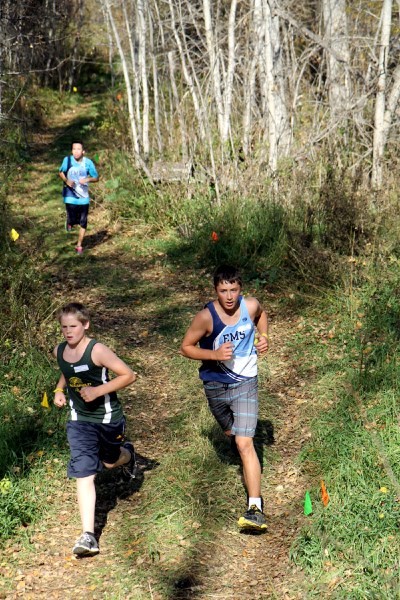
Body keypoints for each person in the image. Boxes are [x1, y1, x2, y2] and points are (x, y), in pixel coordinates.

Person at [180, 265, 269, 531]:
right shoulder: (206, 318)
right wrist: (214, 355)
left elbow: (262, 315)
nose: (229, 296)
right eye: (223, 291)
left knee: (244, 443)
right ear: (215, 291)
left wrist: (264, 337)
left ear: (240, 289)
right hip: (216, 385)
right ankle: (234, 437)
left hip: (246, 382)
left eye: (234, 290)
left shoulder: (250, 306)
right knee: (231, 433)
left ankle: (255, 507)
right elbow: (185, 348)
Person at [53, 302, 137, 556]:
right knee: (84, 472)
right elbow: (67, 372)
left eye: (73, 327)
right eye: (64, 327)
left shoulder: (97, 350)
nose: (68, 332)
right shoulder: (59, 350)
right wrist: (59, 390)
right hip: (79, 420)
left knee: (110, 462)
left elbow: (129, 375)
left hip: (108, 418)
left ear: (85, 325)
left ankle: (128, 454)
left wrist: (98, 391)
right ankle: (88, 535)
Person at [58, 141, 99, 254]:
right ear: (72, 151)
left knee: (83, 222)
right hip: (70, 195)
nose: (76, 151)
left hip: (84, 197)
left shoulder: (88, 163)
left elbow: (96, 177)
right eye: (74, 149)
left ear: (83, 151)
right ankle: (69, 222)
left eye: (78, 149)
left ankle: (79, 245)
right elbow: (60, 172)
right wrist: (67, 180)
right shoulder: (67, 160)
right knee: (73, 218)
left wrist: (87, 179)